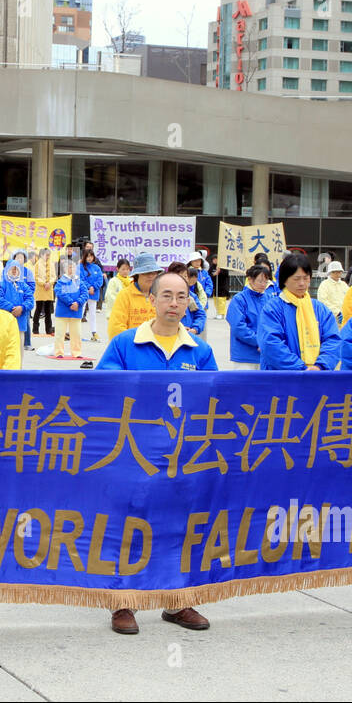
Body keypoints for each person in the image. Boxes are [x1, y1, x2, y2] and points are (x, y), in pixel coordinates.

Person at [98, 269, 216, 635]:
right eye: (167, 295)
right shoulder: (125, 344)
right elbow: (104, 387)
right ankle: (124, 602)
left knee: (180, 525)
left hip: (182, 455)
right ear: (152, 299)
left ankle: (177, 601)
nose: (174, 303)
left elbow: (215, 399)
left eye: (182, 297)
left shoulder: (201, 350)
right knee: (129, 524)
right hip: (133, 453)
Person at [259, 254, 341, 371]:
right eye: (296, 279)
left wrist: (320, 366)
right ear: (285, 280)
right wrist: (301, 368)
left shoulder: (319, 309)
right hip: (281, 379)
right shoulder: (273, 309)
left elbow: (333, 340)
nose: (302, 283)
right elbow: (271, 344)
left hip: (317, 376)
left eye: (306, 278)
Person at [226, 264, 273, 370]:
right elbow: (238, 327)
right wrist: (259, 341)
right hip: (244, 355)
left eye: (266, 281)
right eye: (260, 281)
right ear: (250, 280)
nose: (263, 284)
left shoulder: (270, 299)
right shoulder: (239, 299)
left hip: (266, 354)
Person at [106, 253, 161, 340]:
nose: (151, 276)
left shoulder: (161, 296)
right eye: (146, 273)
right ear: (137, 275)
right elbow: (115, 328)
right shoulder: (124, 295)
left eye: (154, 273)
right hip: (131, 347)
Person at [52, 258, 88, 360]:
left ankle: (76, 352)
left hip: (76, 311)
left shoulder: (79, 281)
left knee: (76, 334)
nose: (71, 269)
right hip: (62, 311)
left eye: (73, 267)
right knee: (59, 333)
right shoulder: (61, 281)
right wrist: (70, 303)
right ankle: (59, 352)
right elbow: (59, 293)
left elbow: (85, 293)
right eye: (69, 267)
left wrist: (78, 302)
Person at [79, 248, 106, 342]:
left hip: (94, 293)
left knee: (93, 314)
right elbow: (80, 279)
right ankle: (76, 332)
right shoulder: (80, 267)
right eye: (88, 256)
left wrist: (93, 288)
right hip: (83, 293)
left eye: (91, 256)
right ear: (84, 257)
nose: (89, 258)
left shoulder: (97, 268)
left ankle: (94, 332)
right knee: (80, 312)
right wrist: (88, 287)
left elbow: (100, 280)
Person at [32, 247, 56, 337]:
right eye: (46, 255)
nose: (48, 256)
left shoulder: (52, 264)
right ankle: (35, 329)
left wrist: (49, 283)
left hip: (49, 289)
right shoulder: (37, 264)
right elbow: (36, 276)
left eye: (49, 255)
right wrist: (43, 283)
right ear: (42, 255)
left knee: (48, 310)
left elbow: (54, 276)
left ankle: (49, 329)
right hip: (40, 289)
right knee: (38, 309)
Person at [317, 260, 348, 325]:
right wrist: (337, 313)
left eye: (339, 272)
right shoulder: (324, 285)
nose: (337, 274)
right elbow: (323, 302)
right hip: (329, 319)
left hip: (344, 319)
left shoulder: (344, 285)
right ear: (330, 272)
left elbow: (349, 299)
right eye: (334, 272)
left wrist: (346, 312)